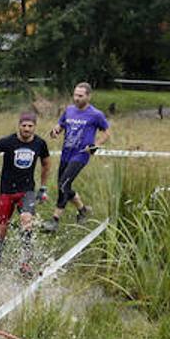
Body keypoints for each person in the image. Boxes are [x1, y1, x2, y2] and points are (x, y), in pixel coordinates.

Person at [0, 112, 51, 274]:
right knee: (1, 229)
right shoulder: (8, 141)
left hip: (27, 191)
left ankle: (25, 262)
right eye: (24, 125)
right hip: (6, 191)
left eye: (30, 126)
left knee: (27, 220)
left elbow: (46, 164)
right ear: (19, 126)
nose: (26, 129)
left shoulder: (40, 143)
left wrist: (44, 188)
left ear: (34, 127)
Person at [43, 82, 111, 231]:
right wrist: (55, 131)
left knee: (63, 184)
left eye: (80, 96)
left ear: (88, 96)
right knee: (64, 185)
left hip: (80, 155)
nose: (76, 98)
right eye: (75, 95)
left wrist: (95, 145)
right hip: (66, 153)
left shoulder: (96, 114)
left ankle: (55, 220)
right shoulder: (69, 110)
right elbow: (60, 125)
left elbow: (107, 132)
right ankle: (82, 210)